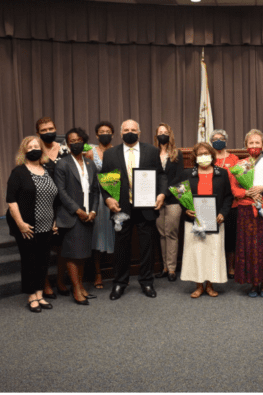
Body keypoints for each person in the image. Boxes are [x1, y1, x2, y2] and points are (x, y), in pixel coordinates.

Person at [100, 119, 166, 300]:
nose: (130, 132)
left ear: (140, 132)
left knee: (146, 247)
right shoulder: (110, 154)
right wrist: (107, 199)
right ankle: (119, 283)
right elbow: (104, 181)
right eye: (126, 130)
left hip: (145, 206)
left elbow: (161, 175)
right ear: (120, 134)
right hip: (121, 208)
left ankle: (147, 282)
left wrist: (161, 194)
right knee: (121, 247)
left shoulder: (151, 151)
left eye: (133, 129)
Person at [173, 142, 234, 298]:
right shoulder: (187, 173)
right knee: (197, 253)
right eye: (200, 154)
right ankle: (199, 285)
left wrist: (223, 213)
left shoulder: (222, 173)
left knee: (213, 252)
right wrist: (186, 209)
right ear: (195, 157)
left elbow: (228, 197)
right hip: (194, 222)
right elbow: (180, 195)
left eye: (206, 153)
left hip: (216, 221)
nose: (203, 157)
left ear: (212, 156)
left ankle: (210, 285)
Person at [6, 136, 59, 313]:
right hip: (27, 226)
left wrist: (54, 220)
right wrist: (20, 224)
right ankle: (31, 296)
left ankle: (39, 293)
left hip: (46, 225)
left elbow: (54, 198)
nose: (34, 149)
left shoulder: (48, 169)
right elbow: (11, 201)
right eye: (30, 147)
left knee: (43, 260)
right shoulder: (19, 172)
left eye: (37, 146)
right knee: (30, 261)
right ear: (24, 151)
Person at [229, 129, 263, 297]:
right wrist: (248, 193)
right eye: (251, 143)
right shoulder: (239, 165)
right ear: (246, 146)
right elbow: (234, 189)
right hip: (246, 210)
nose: (254, 146)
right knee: (249, 246)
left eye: (257, 143)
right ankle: (253, 284)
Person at [54, 128, 100, 306]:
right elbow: (61, 192)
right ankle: (76, 289)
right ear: (67, 143)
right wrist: (78, 211)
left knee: (82, 255)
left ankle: (80, 286)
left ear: (84, 141)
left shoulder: (90, 164)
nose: (75, 143)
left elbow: (95, 190)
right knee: (73, 255)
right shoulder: (63, 164)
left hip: (89, 216)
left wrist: (93, 211)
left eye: (78, 140)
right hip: (72, 217)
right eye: (71, 141)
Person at [35, 117, 70, 299]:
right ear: (38, 133)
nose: (48, 131)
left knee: (63, 246)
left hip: (63, 203)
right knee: (44, 246)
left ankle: (61, 280)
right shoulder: (35, 150)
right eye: (44, 129)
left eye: (51, 128)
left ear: (56, 129)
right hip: (43, 205)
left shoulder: (65, 149)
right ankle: (45, 282)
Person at [84, 121, 116, 289]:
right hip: (97, 200)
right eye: (102, 131)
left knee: (117, 235)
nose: (105, 133)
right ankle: (98, 274)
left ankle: (117, 272)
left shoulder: (118, 152)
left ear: (113, 134)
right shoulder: (90, 153)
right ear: (96, 135)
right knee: (97, 237)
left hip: (115, 198)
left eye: (108, 131)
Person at [154, 123, 184, 282]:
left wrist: (164, 193)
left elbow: (178, 177)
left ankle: (172, 269)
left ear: (170, 134)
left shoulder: (176, 153)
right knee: (162, 234)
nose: (163, 134)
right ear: (156, 135)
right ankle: (164, 267)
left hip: (173, 199)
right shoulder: (152, 153)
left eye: (165, 132)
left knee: (171, 233)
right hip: (155, 200)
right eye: (160, 132)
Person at [210, 129, 240, 279]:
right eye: (215, 139)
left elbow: (239, 178)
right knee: (214, 238)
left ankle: (231, 267)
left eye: (221, 138)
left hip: (232, 204)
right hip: (213, 204)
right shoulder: (208, 158)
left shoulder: (234, 158)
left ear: (226, 140)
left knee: (231, 237)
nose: (218, 140)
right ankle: (216, 267)